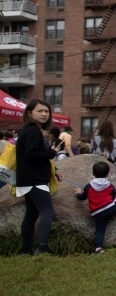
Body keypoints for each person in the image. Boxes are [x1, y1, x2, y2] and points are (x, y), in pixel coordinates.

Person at [16, 99, 61, 255]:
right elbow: (32, 155)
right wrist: (52, 153)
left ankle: (25, 250)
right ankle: (42, 248)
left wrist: (53, 169)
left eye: (46, 111)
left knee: (31, 214)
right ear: (29, 113)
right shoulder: (33, 131)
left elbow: (32, 155)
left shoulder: (27, 130)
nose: (44, 114)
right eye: (39, 111)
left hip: (26, 179)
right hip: (34, 179)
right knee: (47, 212)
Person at [74, 161, 116, 253]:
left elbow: (82, 197)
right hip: (110, 209)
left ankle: (98, 247)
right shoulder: (109, 185)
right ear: (107, 174)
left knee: (100, 229)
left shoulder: (89, 186)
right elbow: (114, 194)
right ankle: (113, 215)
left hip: (97, 212)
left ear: (93, 173)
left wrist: (79, 193)